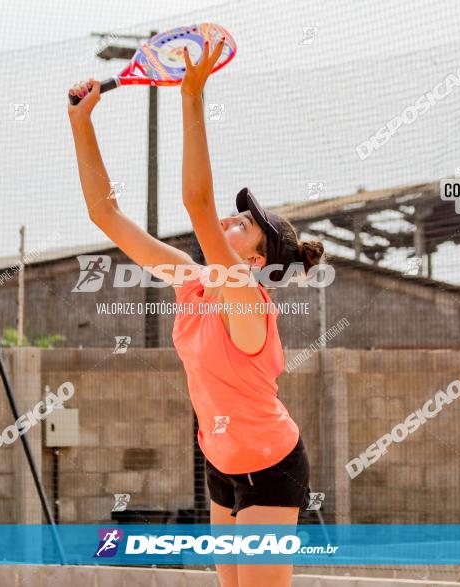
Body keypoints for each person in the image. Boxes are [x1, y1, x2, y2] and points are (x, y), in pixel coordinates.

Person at [68, 38, 325, 587]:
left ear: (255, 259)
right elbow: (105, 214)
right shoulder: (196, 283)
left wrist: (191, 94)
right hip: (222, 465)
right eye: (238, 216)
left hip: (271, 467)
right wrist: (81, 123)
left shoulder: (244, 296)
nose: (233, 221)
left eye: (246, 224)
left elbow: (199, 205)